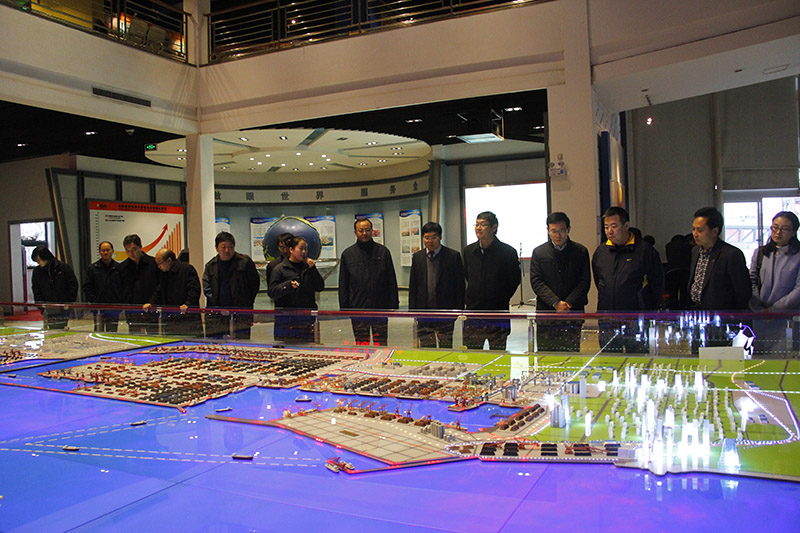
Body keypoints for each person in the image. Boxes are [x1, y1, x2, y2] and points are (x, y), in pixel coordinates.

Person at [592, 206, 663, 353]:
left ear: (626, 225)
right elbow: (599, 280)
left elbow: (656, 284)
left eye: (614, 226)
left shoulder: (645, 251)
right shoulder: (601, 251)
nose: (609, 231)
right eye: (606, 227)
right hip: (607, 318)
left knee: (636, 358)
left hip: (635, 318)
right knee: (609, 359)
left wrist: (647, 310)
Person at [688, 206, 751, 351]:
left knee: (718, 358)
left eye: (700, 230)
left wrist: (734, 321)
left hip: (721, 321)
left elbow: (742, 292)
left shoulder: (731, 254)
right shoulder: (696, 251)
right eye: (693, 229)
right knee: (697, 356)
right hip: (697, 317)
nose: (695, 234)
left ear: (715, 231)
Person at [530, 212, 590, 352]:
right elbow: (536, 281)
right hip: (547, 314)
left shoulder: (580, 251)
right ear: (548, 230)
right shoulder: (539, 252)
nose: (558, 235)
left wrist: (568, 303)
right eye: (554, 231)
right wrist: (555, 302)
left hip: (572, 312)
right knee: (546, 356)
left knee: (571, 355)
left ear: (568, 229)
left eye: (561, 231)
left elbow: (584, 281)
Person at [463, 211, 521, 350]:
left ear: (494, 227)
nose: (478, 228)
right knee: (472, 355)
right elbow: (467, 275)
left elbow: (514, 280)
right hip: (474, 312)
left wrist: (500, 297)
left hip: (497, 311)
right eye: (477, 224)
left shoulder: (508, 252)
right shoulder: (469, 251)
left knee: (498, 355)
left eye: (483, 224)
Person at [339, 217, 399, 346]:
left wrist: (394, 304)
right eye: (361, 230)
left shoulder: (383, 252)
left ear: (372, 231)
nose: (364, 233)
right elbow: (343, 284)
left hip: (380, 307)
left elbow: (391, 280)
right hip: (358, 308)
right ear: (355, 232)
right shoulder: (348, 254)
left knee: (381, 344)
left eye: (367, 230)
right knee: (362, 344)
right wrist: (344, 308)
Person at [750, 211, 800, 356]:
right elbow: (752, 280)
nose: (778, 232)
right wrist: (758, 307)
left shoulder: (797, 256)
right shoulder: (761, 253)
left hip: (787, 319)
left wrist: (774, 310)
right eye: (775, 227)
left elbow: (798, 289)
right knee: (759, 358)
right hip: (760, 317)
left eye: (784, 229)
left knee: (783, 359)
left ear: (793, 232)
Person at [408, 222, 465, 348]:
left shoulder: (453, 256)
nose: (430, 241)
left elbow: (460, 286)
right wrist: (413, 311)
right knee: (426, 347)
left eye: (434, 237)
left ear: (440, 237)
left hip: (445, 312)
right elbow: (413, 285)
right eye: (427, 237)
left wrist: (458, 310)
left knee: (446, 347)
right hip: (424, 313)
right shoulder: (417, 257)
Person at [203, 232, 261, 339]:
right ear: (216, 248)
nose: (227, 250)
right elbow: (207, 287)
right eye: (223, 247)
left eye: (230, 247)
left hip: (240, 313)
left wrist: (246, 302)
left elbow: (254, 285)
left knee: (241, 342)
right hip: (216, 315)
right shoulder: (211, 265)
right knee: (216, 344)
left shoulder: (244, 262)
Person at [268, 236, 325, 343]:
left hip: (307, 318)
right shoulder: (280, 269)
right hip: (286, 320)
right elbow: (272, 292)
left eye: (305, 249)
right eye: (301, 249)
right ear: (291, 250)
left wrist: (313, 269)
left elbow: (320, 287)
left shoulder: (308, 267)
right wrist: (287, 285)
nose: (303, 252)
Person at [143, 248, 202, 336]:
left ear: (169, 260)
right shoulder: (164, 273)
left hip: (188, 320)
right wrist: (151, 303)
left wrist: (188, 304)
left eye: (160, 263)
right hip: (170, 320)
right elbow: (159, 291)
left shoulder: (186, 269)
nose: (158, 266)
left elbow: (194, 290)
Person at [119, 234, 160, 334]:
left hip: (150, 307)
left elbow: (159, 285)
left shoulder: (153, 263)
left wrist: (152, 301)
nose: (131, 253)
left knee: (153, 337)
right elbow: (121, 287)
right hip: (132, 309)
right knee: (135, 337)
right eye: (127, 250)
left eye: (134, 249)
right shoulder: (123, 267)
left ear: (141, 247)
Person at [31, 245, 78, 330]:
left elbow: (72, 285)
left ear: (45, 257)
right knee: (52, 327)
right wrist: (40, 304)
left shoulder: (62, 267)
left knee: (61, 327)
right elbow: (36, 288)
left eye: (39, 260)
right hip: (47, 306)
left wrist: (69, 301)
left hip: (63, 305)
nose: (39, 263)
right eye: (36, 261)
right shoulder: (37, 271)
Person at [82, 240, 122, 332]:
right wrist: (93, 301)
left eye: (108, 250)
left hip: (114, 308)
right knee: (98, 332)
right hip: (98, 308)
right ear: (100, 252)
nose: (105, 253)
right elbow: (87, 286)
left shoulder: (119, 268)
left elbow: (123, 286)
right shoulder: (92, 268)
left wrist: (119, 301)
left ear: (112, 251)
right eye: (103, 250)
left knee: (112, 333)